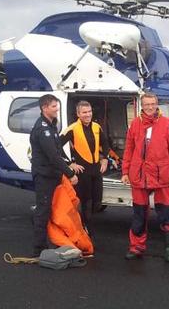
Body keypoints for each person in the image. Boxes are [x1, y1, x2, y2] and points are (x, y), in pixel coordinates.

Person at [121, 92, 169, 262]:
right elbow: (129, 149)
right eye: (146, 104)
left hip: (162, 176)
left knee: (166, 213)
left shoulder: (167, 124)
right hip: (139, 176)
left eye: (152, 104)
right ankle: (136, 247)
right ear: (142, 105)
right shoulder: (135, 124)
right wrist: (125, 172)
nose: (149, 107)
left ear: (157, 104)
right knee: (139, 214)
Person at [29, 94, 79, 257]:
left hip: (53, 175)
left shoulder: (52, 125)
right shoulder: (42, 129)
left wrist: (69, 163)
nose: (57, 109)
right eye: (53, 106)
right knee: (43, 211)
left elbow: (58, 152)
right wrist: (70, 173)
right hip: (44, 176)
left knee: (53, 210)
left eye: (56, 105)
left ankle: (51, 241)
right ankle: (39, 249)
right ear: (44, 108)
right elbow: (52, 156)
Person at [60, 100, 111, 233]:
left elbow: (106, 144)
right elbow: (55, 146)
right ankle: (85, 230)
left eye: (89, 111)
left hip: (96, 170)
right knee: (86, 203)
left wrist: (105, 159)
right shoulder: (72, 129)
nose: (87, 114)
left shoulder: (96, 127)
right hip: (82, 171)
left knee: (98, 203)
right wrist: (70, 163)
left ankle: (86, 225)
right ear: (78, 114)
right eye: (84, 112)